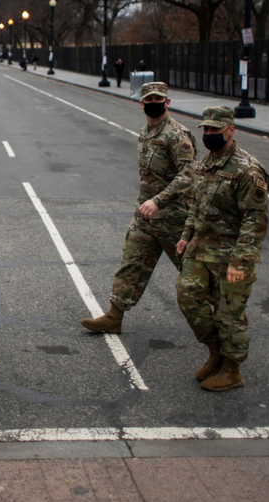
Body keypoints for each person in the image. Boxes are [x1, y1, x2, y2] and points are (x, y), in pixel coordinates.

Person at [81, 82, 197, 335]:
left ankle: (221, 319)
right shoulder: (146, 132)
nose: (155, 103)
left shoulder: (177, 135)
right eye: (150, 100)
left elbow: (189, 175)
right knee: (131, 264)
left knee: (193, 273)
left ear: (167, 103)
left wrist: (158, 200)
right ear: (142, 104)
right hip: (146, 217)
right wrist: (148, 204)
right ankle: (114, 316)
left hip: (174, 219)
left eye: (159, 100)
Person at [175, 107, 269, 392]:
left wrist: (241, 262)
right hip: (200, 249)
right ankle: (215, 352)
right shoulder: (207, 162)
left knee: (229, 315)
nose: (209, 134)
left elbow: (255, 221)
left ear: (231, 130)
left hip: (231, 256)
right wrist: (186, 235)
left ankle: (232, 369)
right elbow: (197, 203)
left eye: (215, 130)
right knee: (188, 298)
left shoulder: (247, 170)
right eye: (205, 129)